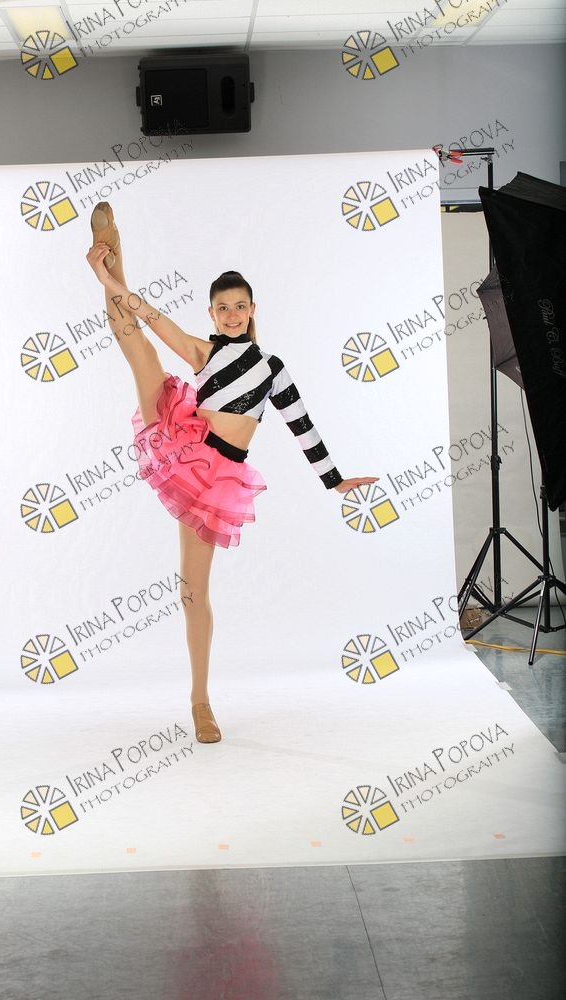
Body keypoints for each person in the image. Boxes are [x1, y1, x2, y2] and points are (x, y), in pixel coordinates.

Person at [86, 202, 378, 745]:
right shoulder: (204, 352)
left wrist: (334, 480)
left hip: (217, 476)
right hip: (183, 440)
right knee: (137, 343)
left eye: (240, 306)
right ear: (213, 313)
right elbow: (154, 316)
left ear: (252, 308)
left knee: (193, 592)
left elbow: (301, 424)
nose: (232, 314)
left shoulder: (271, 368)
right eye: (223, 308)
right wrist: (107, 281)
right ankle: (110, 258)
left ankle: (200, 700)